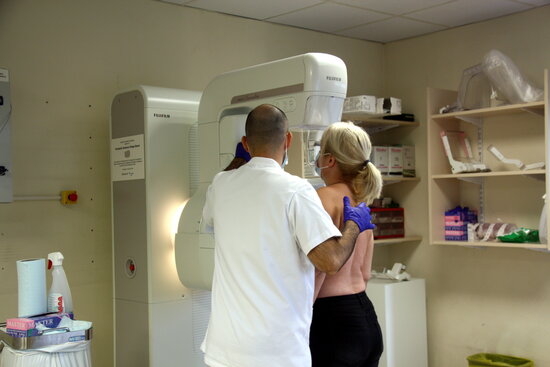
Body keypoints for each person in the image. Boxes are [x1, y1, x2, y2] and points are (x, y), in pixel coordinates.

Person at [200, 104, 375, 367]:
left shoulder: (221, 184)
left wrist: (239, 161)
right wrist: (353, 225)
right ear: (289, 139)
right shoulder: (297, 191)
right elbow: (331, 261)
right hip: (278, 352)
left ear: (245, 144)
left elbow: (211, 216)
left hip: (225, 351)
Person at [310, 121, 384, 367]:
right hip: (365, 319)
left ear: (330, 159)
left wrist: (300, 313)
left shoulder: (323, 197)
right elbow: (365, 272)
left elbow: (321, 268)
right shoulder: (361, 201)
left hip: (333, 323)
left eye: (320, 151)